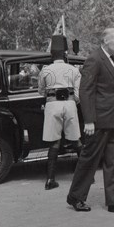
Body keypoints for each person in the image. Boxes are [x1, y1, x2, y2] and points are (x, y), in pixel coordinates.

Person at [66, 28, 114, 213]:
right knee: (89, 159)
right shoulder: (95, 59)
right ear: (105, 40)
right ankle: (76, 197)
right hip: (98, 121)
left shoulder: (112, 59)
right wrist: (89, 120)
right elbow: (85, 90)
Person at [38, 35, 82, 190]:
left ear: (52, 54)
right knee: (76, 140)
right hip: (69, 103)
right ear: (65, 53)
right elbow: (78, 94)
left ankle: (50, 179)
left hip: (52, 104)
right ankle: (86, 177)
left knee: (54, 142)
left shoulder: (45, 70)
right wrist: (71, 101)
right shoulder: (73, 70)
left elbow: (41, 91)